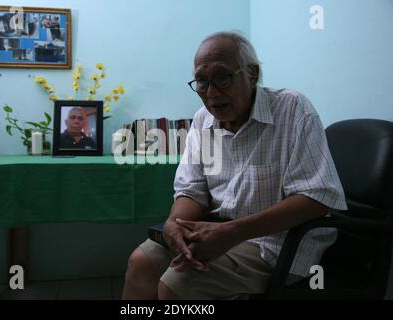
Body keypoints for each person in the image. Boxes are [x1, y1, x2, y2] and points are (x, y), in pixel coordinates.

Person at [122, 31, 347, 300]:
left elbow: (317, 197)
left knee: (179, 283)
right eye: (202, 82)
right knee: (141, 263)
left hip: (277, 242)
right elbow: (192, 189)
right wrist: (175, 225)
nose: (212, 93)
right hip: (217, 231)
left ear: (252, 74)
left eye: (223, 78)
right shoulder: (203, 119)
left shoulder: (292, 109)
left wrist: (231, 233)